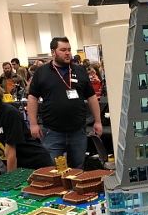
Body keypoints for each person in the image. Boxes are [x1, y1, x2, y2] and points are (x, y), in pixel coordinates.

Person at [28, 36, 102, 169]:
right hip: (52, 131)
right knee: (52, 170)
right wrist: (33, 124)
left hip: (78, 130)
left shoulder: (79, 71)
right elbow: (32, 98)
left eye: (69, 50)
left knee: (77, 169)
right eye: (63, 50)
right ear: (53, 52)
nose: (67, 53)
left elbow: (91, 97)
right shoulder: (42, 72)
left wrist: (98, 121)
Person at [0, 77, 52, 185]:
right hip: (17, 167)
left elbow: (10, 152)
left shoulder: (9, 113)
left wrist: (10, 181)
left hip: (34, 163)